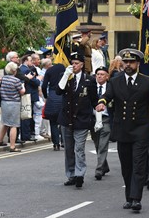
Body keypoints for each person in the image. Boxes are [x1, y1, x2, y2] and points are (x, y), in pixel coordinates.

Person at [96, 48, 149, 211]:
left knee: (139, 164)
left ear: (137, 64)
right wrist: (102, 101)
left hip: (140, 129)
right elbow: (108, 95)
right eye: (125, 62)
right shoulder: (115, 81)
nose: (128, 65)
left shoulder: (147, 82)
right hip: (123, 129)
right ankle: (128, 197)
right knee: (126, 166)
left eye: (131, 62)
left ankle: (136, 198)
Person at [57, 52, 98, 188]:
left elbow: (94, 100)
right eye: (72, 63)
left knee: (79, 148)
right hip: (66, 119)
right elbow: (58, 91)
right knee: (68, 149)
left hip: (82, 119)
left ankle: (80, 174)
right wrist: (65, 75)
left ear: (82, 65)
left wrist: (97, 119)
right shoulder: (66, 78)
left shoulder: (89, 80)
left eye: (76, 63)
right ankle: (71, 174)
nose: (73, 66)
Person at [0, 62, 26, 152]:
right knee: (14, 125)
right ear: (14, 71)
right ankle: (12, 146)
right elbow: (22, 92)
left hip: (4, 103)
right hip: (14, 103)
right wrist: (23, 86)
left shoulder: (3, 79)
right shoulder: (16, 80)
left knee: (5, 123)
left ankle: (0, 141)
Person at [92, 66, 111, 180]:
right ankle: (105, 165)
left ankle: (99, 169)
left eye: (102, 74)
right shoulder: (92, 87)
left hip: (106, 119)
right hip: (94, 119)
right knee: (97, 144)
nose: (99, 76)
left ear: (107, 77)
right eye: (98, 74)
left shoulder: (110, 88)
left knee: (103, 145)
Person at [42, 61, 64, 151]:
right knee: (63, 121)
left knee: (53, 122)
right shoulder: (64, 69)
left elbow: (44, 86)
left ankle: (56, 144)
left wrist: (46, 96)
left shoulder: (49, 71)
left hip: (52, 95)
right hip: (62, 95)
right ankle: (63, 141)